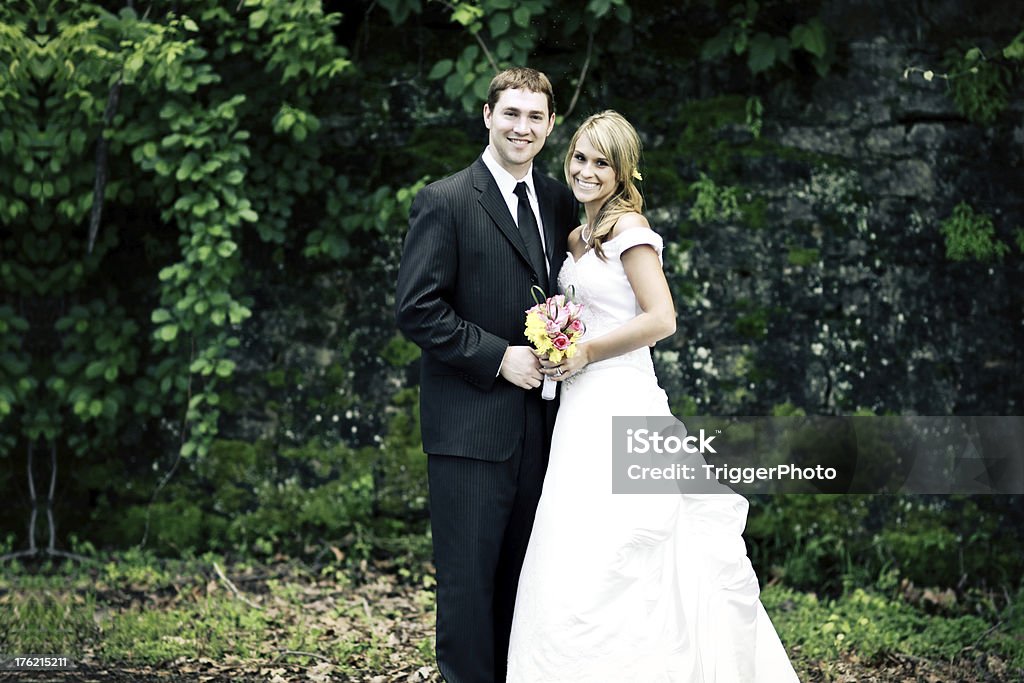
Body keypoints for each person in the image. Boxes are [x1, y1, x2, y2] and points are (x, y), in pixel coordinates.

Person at [506, 110, 800, 682]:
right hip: (577, 409)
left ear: (623, 171)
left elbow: (662, 318)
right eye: (580, 158)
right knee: (575, 544)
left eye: (601, 162)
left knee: (631, 545)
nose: (586, 171)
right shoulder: (575, 237)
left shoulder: (629, 232)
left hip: (621, 399)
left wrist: (586, 352)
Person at [395, 66, 578, 683]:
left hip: (547, 426)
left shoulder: (557, 199)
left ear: (551, 125)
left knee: (527, 588)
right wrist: (501, 356)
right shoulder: (444, 200)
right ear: (487, 115)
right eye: (511, 114)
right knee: (469, 592)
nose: (522, 127)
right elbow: (417, 309)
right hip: (470, 430)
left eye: (535, 117)